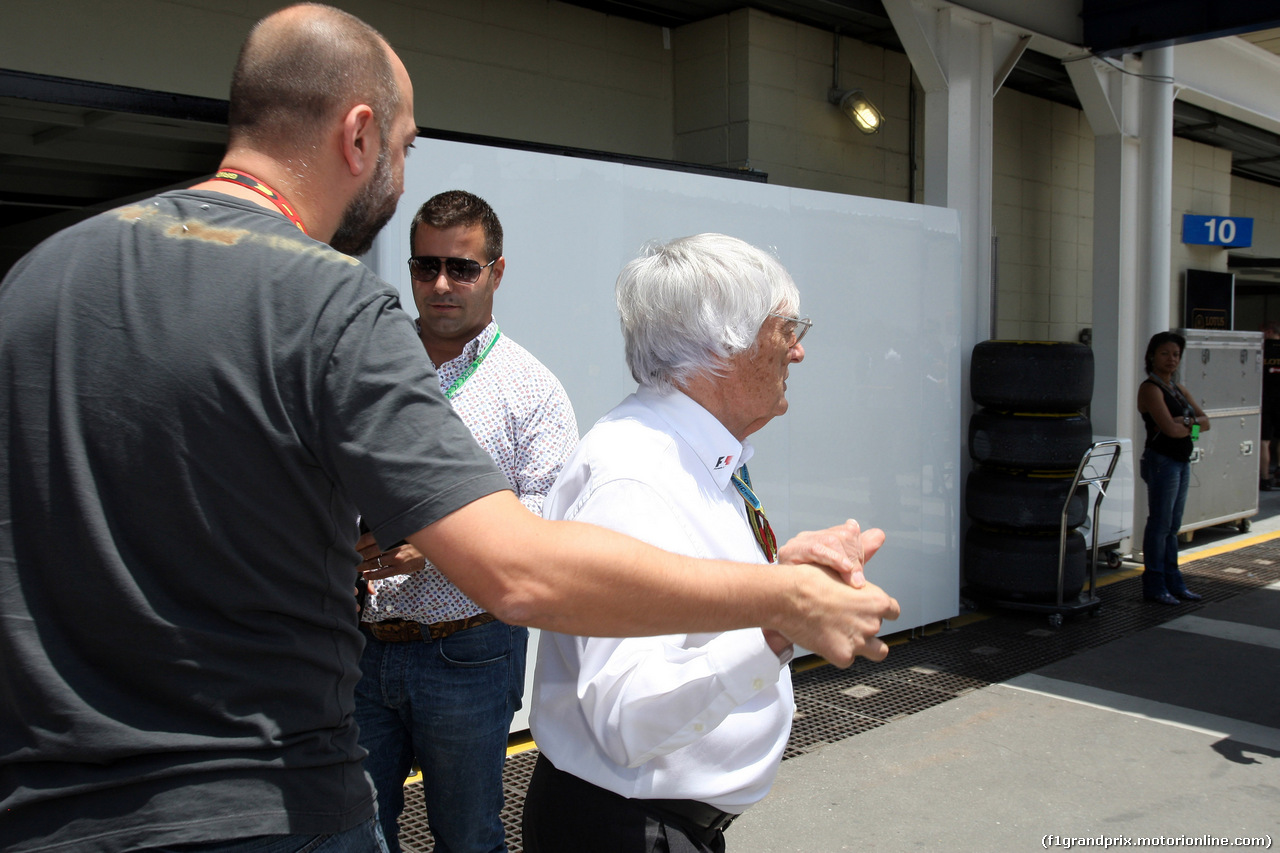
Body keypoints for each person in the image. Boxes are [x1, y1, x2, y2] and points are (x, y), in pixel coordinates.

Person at [0, 5, 899, 852]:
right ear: (357, 135)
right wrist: (779, 601)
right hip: (259, 800)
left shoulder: (39, 278)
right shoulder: (325, 302)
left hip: (48, 805)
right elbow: (521, 569)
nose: (402, 169)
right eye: (403, 145)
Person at [523, 234, 894, 853]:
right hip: (626, 830)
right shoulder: (637, 477)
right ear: (723, 344)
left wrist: (781, 572)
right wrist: (783, 616)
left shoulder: (684, 453)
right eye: (785, 329)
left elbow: (685, 612)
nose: (798, 351)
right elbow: (627, 718)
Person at [356, 190, 578, 853]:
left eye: (462, 268)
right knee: (357, 834)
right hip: (360, 644)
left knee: (467, 836)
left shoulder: (528, 389)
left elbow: (552, 516)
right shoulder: (373, 365)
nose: (442, 284)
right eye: (426, 267)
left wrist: (438, 543)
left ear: (497, 272)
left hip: (468, 650)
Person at [1137, 330, 1209, 605]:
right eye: (1165, 353)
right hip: (1161, 462)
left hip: (1180, 461)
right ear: (1152, 356)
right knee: (1160, 524)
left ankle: (1173, 581)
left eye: (1176, 354)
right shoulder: (1150, 389)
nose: (1171, 359)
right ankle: (1155, 584)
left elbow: (1204, 423)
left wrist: (1188, 425)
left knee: (1173, 525)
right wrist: (1188, 424)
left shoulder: (1178, 389)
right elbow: (1168, 429)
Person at [1260, 321, 1280, 490]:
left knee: (1264, 441)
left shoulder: (1260, 349)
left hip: (1264, 399)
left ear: (1268, 332)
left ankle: (1264, 478)